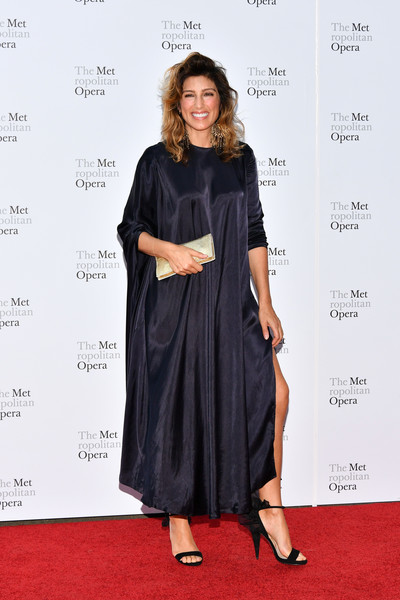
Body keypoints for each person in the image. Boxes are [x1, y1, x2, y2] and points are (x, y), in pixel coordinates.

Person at [118, 52, 306, 566]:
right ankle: (179, 518)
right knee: (180, 407)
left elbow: (253, 232)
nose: (199, 104)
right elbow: (131, 228)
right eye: (189, 95)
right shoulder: (157, 161)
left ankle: (270, 506)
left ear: (221, 102)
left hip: (230, 301)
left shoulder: (240, 159)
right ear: (176, 104)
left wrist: (265, 303)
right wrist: (169, 249)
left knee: (275, 393)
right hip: (174, 305)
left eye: (208, 94)